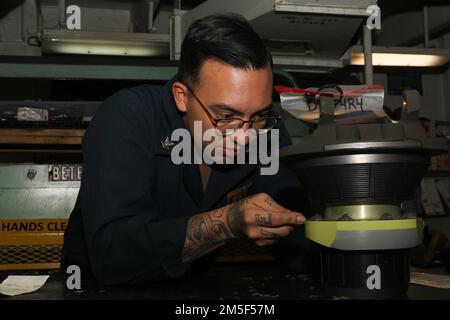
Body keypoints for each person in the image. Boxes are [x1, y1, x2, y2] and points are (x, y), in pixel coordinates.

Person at [61, 13, 307, 285]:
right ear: (182, 96)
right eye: (225, 116)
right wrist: (228, 222)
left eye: (259, 115)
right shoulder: (128, 118)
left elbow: (296, 234)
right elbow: (113, 256)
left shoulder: (265, 127)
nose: (246, 137)